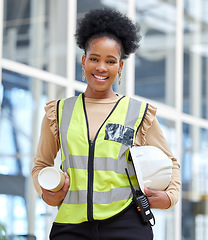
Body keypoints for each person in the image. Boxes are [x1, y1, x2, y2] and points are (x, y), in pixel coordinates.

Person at [31, 8, 181, 240]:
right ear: (84, 61)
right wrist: (45, 193)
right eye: (94, 59)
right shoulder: (58, 112)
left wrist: (170, 196)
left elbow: (171, 162)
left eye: (111, 61)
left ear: (120, 67)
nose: (101, 67)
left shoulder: (139, 113)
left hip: (126, 223)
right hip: (71, 225)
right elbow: (41, 164)